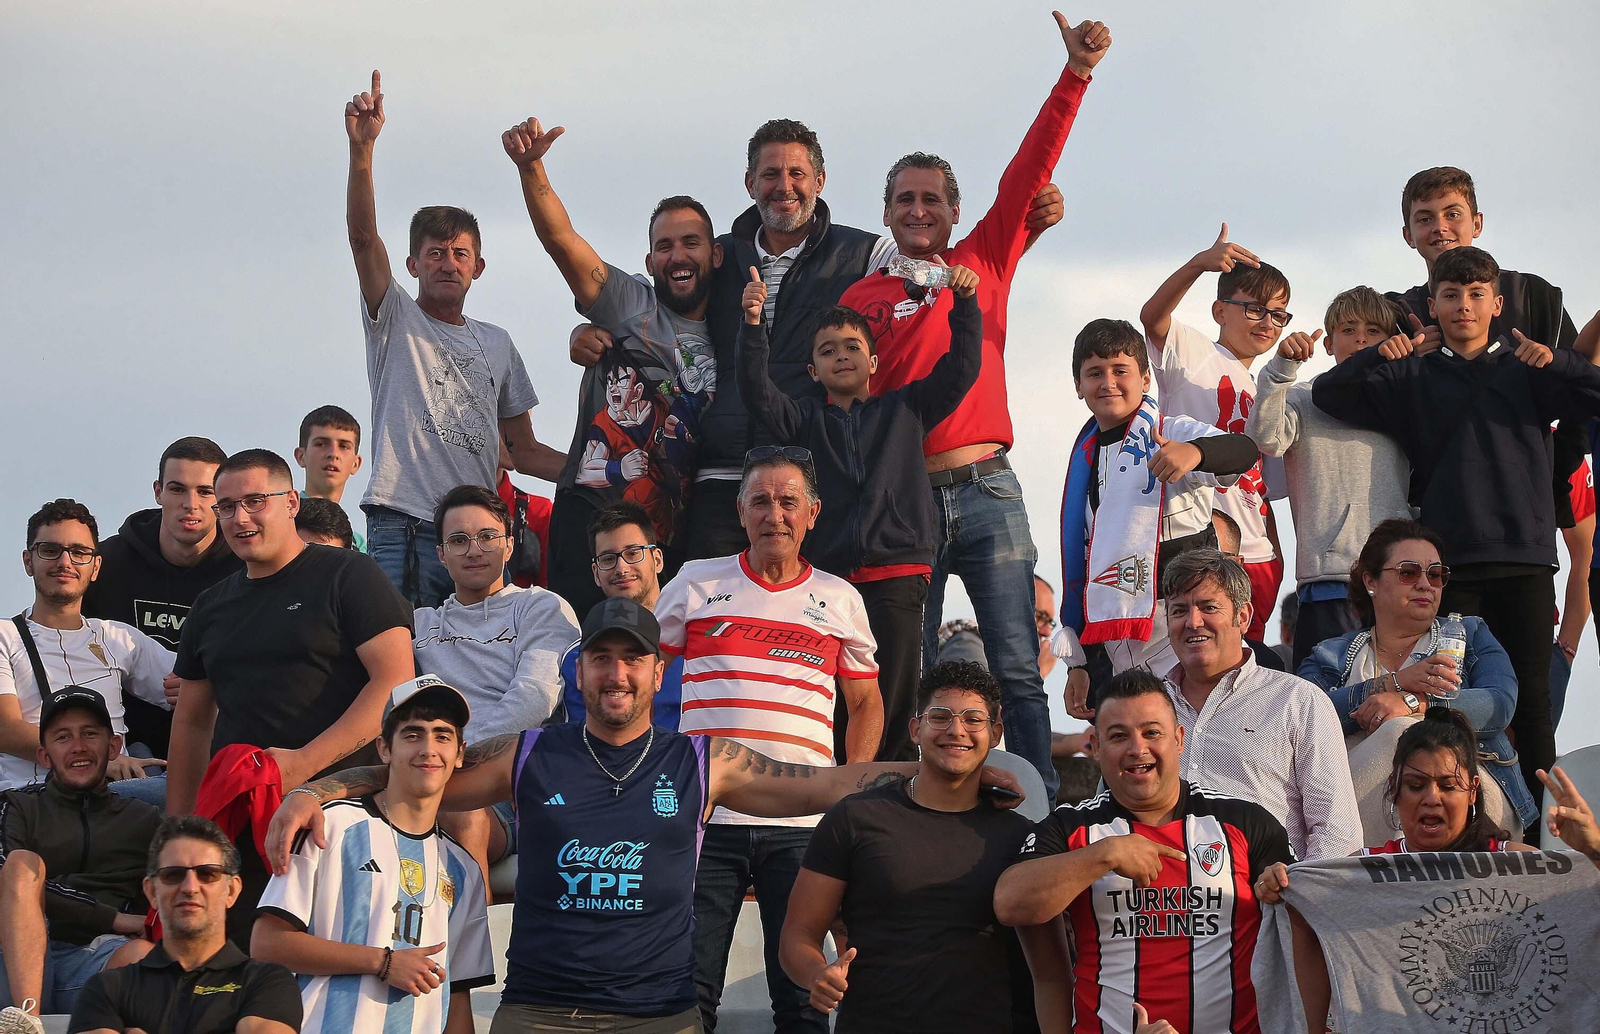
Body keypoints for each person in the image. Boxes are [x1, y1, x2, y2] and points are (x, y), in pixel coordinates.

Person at [260, 597, 1024, 1034]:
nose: (617, 674)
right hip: (539, 1013)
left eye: (632, 659)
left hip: (659, 1017)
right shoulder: (527, 754)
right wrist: (313, 791)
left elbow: (827, 783)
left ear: (659, 671)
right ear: (580, 669)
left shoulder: (703, 760)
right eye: (602, 658)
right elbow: (416, 771)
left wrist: (946, 768)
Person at [839, 13, 1112, 804]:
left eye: (932, 199)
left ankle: (1038, 809)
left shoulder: (984, 258)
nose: (918, 209)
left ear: (956, 212)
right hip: (904, 499)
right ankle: (921, 804)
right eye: (904, 199)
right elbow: (844, 401)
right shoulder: (860, 297)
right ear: (886, 214)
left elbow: (1030, 169)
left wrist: (1075, 74)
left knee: (1018, 666)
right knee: (915, 666)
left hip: (988, 485)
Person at [1312, 245, 1600, 809]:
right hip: (1447, 570)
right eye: (1450, 295)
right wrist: (1382, 354)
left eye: (1475, 294)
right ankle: (1451, 818)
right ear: (1433, 305)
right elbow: (1329, 393)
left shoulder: (1529, 372)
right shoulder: (1412, 374)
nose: (1463, 305)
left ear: (1497, 304)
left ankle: (1538, 831)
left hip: (1525, 561)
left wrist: (1558, 361)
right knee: (1447, 698)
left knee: (1533, 705)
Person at [653, 450, 882, 1033]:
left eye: (788, 502)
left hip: (803, 825)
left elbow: (866, 703)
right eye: (759, 501)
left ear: (812, 513)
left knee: (803, 1000)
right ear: (740, 511)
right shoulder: (695, 581)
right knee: (687, 995)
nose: (773, 514)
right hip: (706, 816)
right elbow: (641, 676)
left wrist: (848, 793)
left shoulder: (840, 598)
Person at [167, 449, 415, 944]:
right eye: (226, 506)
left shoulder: (350, 574)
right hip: (239, 820)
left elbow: (394, 683)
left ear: (291, 502)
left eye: (255, 501)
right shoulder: (210, 606)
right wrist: (179, 831)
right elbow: (192, 723)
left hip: (343, 812)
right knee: (242, 964)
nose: (240, 518)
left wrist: (301, 766)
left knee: (337, 959)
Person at [739, 262, 981, 761]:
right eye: (827, 351)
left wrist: (964, 303)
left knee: (897, 693)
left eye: (852, 347)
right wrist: (753, 325)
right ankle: (835, 787)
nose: (841, 356)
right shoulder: (804, 420)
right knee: (833, 694)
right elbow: (757, 392)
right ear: (813, 371)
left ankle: (892, 787)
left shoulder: (906, 408)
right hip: (829, 580)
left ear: (873, 361)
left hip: (898, 573)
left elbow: (961, 369)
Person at [341, 71, 561, 608]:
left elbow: (525, 451)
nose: (447, 263)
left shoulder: (498, 344)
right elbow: (364, 239)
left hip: (476, 534)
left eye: (460, 253)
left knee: (472, 651)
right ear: (413, 264)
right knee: (400, 647)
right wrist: (362, 150)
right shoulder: (394, 317)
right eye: (434, 253)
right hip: (402, 520)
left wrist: (612, 473)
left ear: (478, 267)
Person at [994, 669, 1296, 1034]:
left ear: (1179, 738)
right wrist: (1105, 855)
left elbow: (1302, 922)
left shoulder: (1246, 822)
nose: (1138, 749)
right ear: (1096, 746)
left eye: (1152, 732)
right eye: (1119, 736)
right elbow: (1010, 903)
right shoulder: (1068, 828)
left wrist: (1279, 884)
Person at [779, 660, 1072, 1033]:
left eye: (973, 719)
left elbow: (1051, 976)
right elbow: (797, 935)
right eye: (940, 717)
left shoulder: (1022, 839)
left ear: (995, 733)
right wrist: (817, 974)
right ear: (916, 729)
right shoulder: (855, 817)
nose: (956, 730)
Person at [1253, 709, 1591, 1030]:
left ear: (1472, 791)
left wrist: (1594, 850)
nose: (1431, 798)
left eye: (1448, 786)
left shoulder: (1519, 865)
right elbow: (1308, 922)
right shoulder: (1361, 872)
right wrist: (1287, 890)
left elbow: (1589, 910)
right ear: (1394, 788)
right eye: (1416, 786)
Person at [501, 119, 717, 619]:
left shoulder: (738, 331)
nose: (678, 256)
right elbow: (561, 240)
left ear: (716, 253)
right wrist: (532, 168)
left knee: (654, 654)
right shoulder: (630, 303)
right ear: (649, 259)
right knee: (575, 648)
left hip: (669, 533)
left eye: (690, 242)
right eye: (664, 246)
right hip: (589, 515)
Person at [253, 676, 493, 1034]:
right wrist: (383, 962)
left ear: (459, 754)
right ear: (384, 748)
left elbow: (457, 995)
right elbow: (267, 943)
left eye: (442, 736)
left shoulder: (463, 868)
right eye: (412, 735)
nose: (428, 749)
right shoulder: (330, 825)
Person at [1057, 319, 1257, 717]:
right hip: (1120, 641)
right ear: (1078, 385)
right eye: (1095, 373)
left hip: (1186, 622)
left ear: (1146, 379)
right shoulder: (1083, 460)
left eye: (1120, 370)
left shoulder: (1172, 430)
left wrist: (1196, 452)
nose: (1108, 383)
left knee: (1212, 729)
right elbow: (1086, 564)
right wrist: (1079, 664)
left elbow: (1244, 450)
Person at [1296, 519, 1536, 828]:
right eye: (1408, 572)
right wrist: (1392, 684)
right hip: (1357, 815)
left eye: (1435, 575)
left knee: (1401, 730)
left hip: (1470, 803)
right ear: (1371, 581)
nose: (1425, 584)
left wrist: (1416, 704)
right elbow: (1302, 719)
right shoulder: (1330, 655)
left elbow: (1498, 705)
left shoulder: (1471, 634)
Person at [1386, 165, 1585, 532]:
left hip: (1525, 518)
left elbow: (1580, 383)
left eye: (1453, 214)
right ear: (1408, 235)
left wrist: (1553, 472)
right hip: (1431, 517)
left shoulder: (1533, 297)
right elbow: (1368, 401)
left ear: (1476, 224)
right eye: (1425, 218)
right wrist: (1409, 360)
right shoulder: (1395, 313)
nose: (1440, 227)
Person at [1244, 286, 1418, 667]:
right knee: (1323, 698)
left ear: (1391, 341)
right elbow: (1264, 438)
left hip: (1398, 579)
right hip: (1329, 582)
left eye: (1373, 331)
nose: (1360, 339)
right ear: (1328, 343)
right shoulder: (1303, 397)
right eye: (1348, 329)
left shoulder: (1406, 403)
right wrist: (1280, 369)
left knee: (1397, 695)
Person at [410, 485, 578, 881]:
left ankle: (474, 924)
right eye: (459, 540)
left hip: (507, 782)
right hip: (425, 769)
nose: (474, 550)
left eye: (487, 536)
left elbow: (534, 699)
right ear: (441, 554)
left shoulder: (540, 606)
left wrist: (455, 756)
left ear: (509, 545)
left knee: (461, 814)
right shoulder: (418, 624)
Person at [1158, 548, 1361, 860]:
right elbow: (1108, 815)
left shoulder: (1298, 701)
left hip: (1269, 887)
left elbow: (1338, 833)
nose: (1193, 622)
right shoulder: (1146, 706)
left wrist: (1294, 890)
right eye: (1179, 610)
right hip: (1160, 888)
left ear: (1243, 617)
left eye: (1209, 607)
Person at [1139, 225, 1289, 641]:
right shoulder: (1196, 354)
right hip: (1203, 544)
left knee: (1249, 667)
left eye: (1278, 314)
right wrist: (1197, 265)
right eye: (1255, 308)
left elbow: (1264, 490)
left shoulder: (1267, 389)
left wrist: (1275, 556)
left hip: (1258, 554)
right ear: (1220, 310)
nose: (1268, 322)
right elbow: (1152, 318)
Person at [0, 689, 159, 1027]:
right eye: (63, 737)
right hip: (9, 959)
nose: (78, 747)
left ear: (113, 747)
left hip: (93, 961)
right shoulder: (17, 806)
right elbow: (8, 878)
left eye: (89, 734)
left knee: (142, 958)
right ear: (44, 755)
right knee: (21, 865)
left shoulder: (145, 819)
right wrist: (112, 917)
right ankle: (27, 1022)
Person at [81, 436, 242, 761]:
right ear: (158, 491)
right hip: (117, 753)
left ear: (223, 497)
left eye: (205, 492)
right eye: (178, 489)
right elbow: (64, 644)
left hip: (219, 750)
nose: (191, 504)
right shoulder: (107, 563)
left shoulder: (246, 570)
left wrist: (211, 688)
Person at [67, 814, 303, 1034]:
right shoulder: (107, 987)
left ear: (231, 890)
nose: (190, 887)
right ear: (151, 892)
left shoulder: (267, 981)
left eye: (207, 874)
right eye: (173, 874)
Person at [2, 499, 174, 794]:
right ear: (28, 561)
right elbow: (5, 729)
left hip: (115, 796)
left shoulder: (119, 638)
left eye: (79, 552)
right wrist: (101, 761)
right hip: (31, 795)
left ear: (96, 567)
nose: (65, 562)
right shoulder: (5, 636)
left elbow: (194, 685)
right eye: (50, 550)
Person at [555, 501, 683, 728]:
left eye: (633, 553)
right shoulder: (579, 655)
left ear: (657, 560)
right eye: (608, 559)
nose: (621, 568)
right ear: (596, 573)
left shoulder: (696, 643)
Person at [1552, 455, 1593, 730]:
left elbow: (1586, 555)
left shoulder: (1564, 449)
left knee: (1528, 755)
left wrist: (1565, 652)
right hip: (1441, 631)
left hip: (1533, 640)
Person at [293, 405, 366, 551]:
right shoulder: (283, 523)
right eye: (321, 444)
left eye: (344, 446)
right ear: (301, 456)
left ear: (356, 463)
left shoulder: (357, 545)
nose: (333, 454)